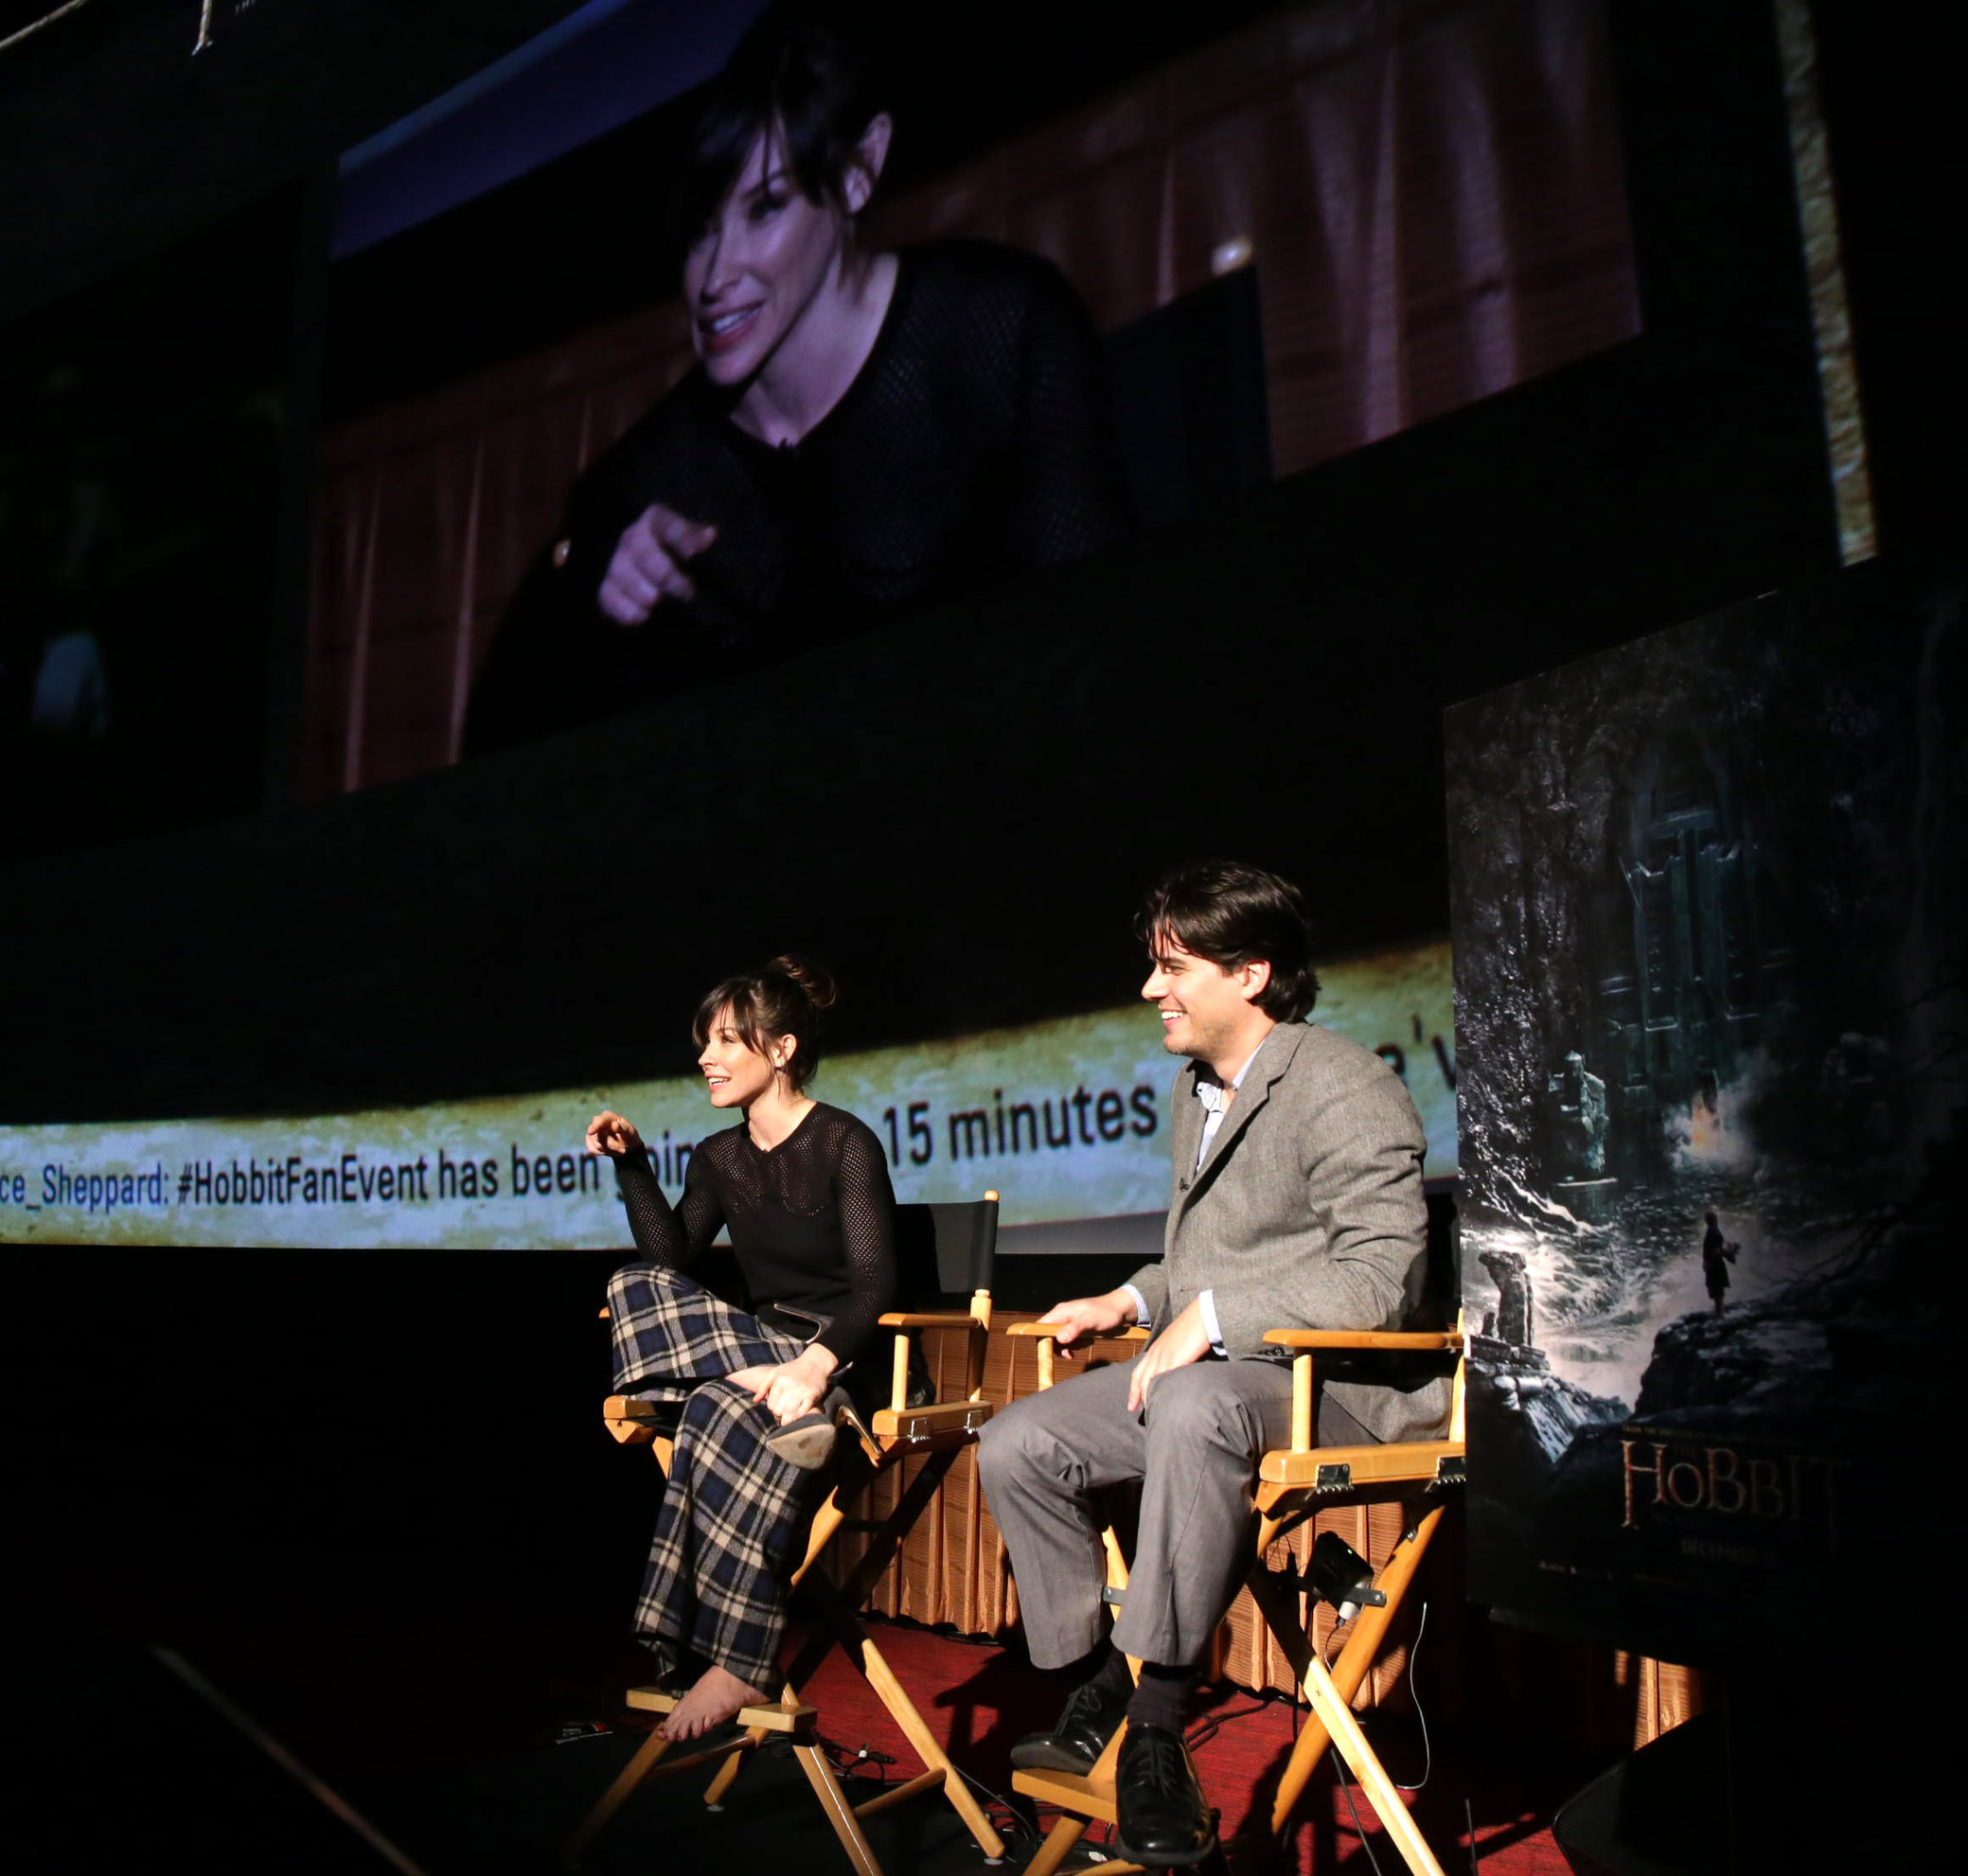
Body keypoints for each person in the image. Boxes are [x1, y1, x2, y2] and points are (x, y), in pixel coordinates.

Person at [464, 7, 1128, 752]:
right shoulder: (651, 479)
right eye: (701, 229)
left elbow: (1095, 654)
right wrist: (603, 605)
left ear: (857, 173)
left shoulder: (998, 331)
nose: (714, 276)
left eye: (765, 207)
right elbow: (508, 746)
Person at [975, 863, 1447, 1867]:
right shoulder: (1195, 1092)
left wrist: (1213, 1318)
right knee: (1019, 1440)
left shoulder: (1346, 1084)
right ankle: (1096, 1684)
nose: (1152, 988)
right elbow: (1206, 1263)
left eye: (1174, 967)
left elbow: (1381, 1282)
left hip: (1341, 1390)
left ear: (1251, 973)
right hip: (1228, 1378)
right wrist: (1130, 1300)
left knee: (1193, 1402)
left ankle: (1155, 1720)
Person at [585, 956, 896, 1743]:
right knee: (633, 1285)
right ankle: (753, 1383)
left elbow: (874, 1289)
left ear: (781, 1050)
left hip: (840, 1360)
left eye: (726, 1041)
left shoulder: (845, 1143)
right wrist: (632, 1166)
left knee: (711, 1414)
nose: (706, 1058)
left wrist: (814, 1366)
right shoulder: (718, 1157)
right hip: (758, 1353)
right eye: (706, 1042)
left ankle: (736, 1659)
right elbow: (671, 1261)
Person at [1701, 1210, 1739, 1315]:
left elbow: (1716, 1250)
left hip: (1712, 1265)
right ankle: (1719, 1315)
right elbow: (1717, 1251)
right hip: (1715, 1266)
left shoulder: (1711, 1232)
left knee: (1717, 1293)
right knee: (1718, 1293)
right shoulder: (1714, 1232)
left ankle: (1719, 1314)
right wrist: (1731, 1252)